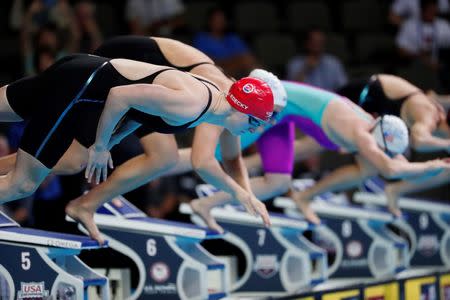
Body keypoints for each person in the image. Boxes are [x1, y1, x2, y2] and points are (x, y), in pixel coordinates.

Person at [0, 50, 282, 242]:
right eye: (255, 123)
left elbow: (141, 113)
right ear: (242, 110)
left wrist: (112, 140)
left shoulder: (213, 104)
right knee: (23, 184)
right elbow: (121, 95)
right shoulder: (192, 104)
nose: (253, 131)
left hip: (81, 75)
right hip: (78, 87)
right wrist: (100, 146)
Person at [164, 80, 450, 231]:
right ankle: (161, 164)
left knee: (277, 183)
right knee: (206, 155)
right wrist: (432, 164)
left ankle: (205, 205)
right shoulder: (363, 136)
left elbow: (393, 163)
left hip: (285, 118)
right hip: (274, 105)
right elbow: (389, 167)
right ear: (379, 140)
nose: (376, 154)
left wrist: (427, 167)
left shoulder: (371, 130)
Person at [338, 74, 450, 153]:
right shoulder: (429, 116)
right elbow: (418, 141)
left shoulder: (437, 115)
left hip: (369, 111)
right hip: (360, 95)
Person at [193, 7, 257, 78]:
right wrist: (229, 61)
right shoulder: (201, 38)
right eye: (216, 20)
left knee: (247, 59)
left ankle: (263, 83)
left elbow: (246, 56)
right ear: (209, 21)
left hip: (235, 70)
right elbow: (202, 60)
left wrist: (234, 62)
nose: (219, 22)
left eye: (221, 19)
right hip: (213, 70)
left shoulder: (233, 37)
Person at [396, 0, 450, 70]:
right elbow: (400, 50)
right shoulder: (409, 25)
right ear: (422, 10)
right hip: (415, 65)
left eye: (434, 10)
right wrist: (419, 55)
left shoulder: (444, 25)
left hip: (439, 66)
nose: (432, 13)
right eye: (429, 10)